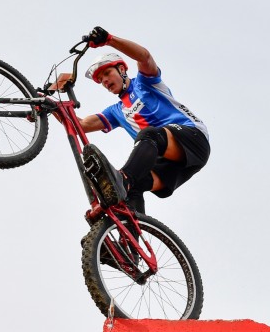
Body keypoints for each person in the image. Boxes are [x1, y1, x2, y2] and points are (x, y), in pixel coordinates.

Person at [78, 26, 210, 215]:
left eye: (106, 73)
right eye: (100, 80)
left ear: (121, 68)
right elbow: (81, 125)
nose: (105, 81)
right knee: (132, 188)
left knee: (147, 135)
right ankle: (131, 239)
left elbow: (144, 57)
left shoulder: (145, 83)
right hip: (171, 163)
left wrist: (109, 39)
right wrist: (50, 104)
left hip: (193, 139)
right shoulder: (116, 111)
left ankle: (123, 177)